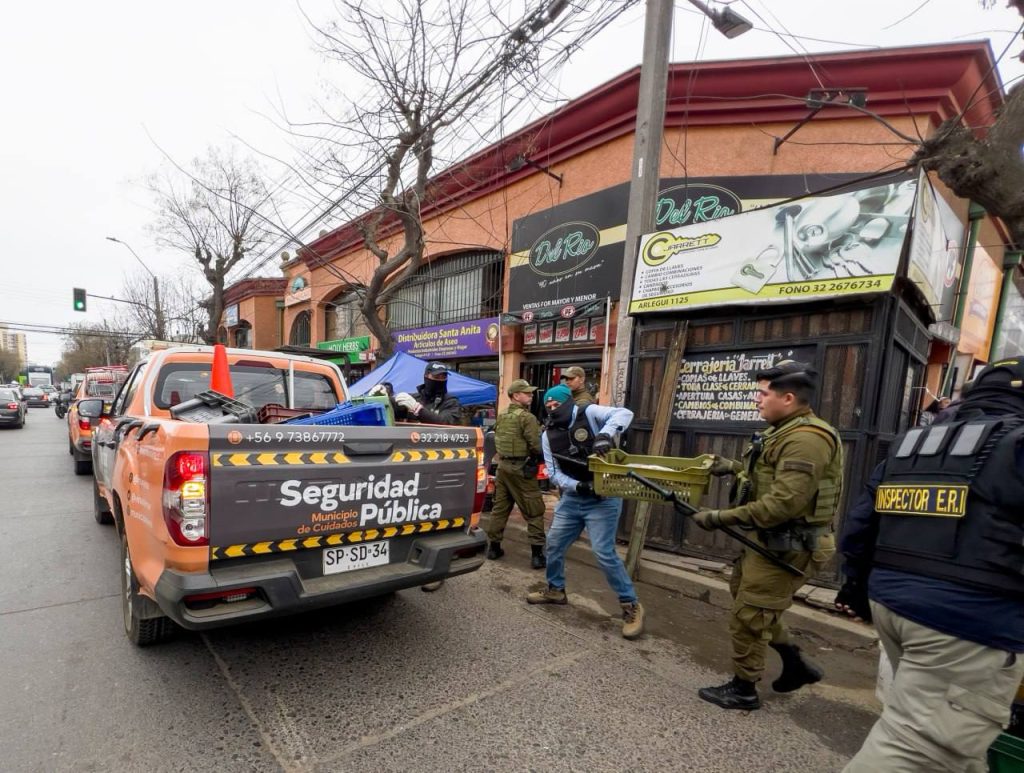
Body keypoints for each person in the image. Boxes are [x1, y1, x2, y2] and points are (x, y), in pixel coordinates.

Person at [837, 356, 1024, 772]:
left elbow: (859, 527)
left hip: (893, 606)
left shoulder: (915, 445)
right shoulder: (1015, 445)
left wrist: (856, 586)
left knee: (953, 744)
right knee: (919, 745)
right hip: (966, 622)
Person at [692, 360, 843, 711]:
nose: (756, 400)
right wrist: (730, 467)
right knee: (751, 605)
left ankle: (744, 690)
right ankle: (795, 663)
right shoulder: (785, 430)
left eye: (762, 394)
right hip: (772, 541)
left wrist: (718, 517)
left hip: (792, 544)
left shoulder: (807, 439)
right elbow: (768, 475)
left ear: (788, 398)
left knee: (749, 615)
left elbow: (783, 504)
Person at [526, 385, 644, 640]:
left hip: (603, 498)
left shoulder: (588, 412)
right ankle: (556, 590)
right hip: (573, 497)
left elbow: (624, 413)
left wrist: (604, 434)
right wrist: (576, 485)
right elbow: (554, 472)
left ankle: (631, 606)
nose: (552, 409)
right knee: (554, 544)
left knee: (603, 552)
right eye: (549, 406)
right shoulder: (548, 436)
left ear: (568, 402)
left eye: (557, 404)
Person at [485, 379, 547, 569]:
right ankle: (537, 555)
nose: (530, 395)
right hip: (522, 469)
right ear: (515, 396)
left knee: (500, 509)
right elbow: (536, 445)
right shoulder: (526, 418)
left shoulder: (502, 415)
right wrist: (538, 457)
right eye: (526, 393)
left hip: (503, 467)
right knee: (534, 511)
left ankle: (493, 548)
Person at [391, 362, 462, 424]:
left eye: (444, 377)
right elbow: (390, 406)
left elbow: (445, 422)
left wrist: (417, 409)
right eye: (436, 376)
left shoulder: (451, 402)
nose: (440, 380)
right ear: (426, 376)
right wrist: (385, 390)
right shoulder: (413, 398)